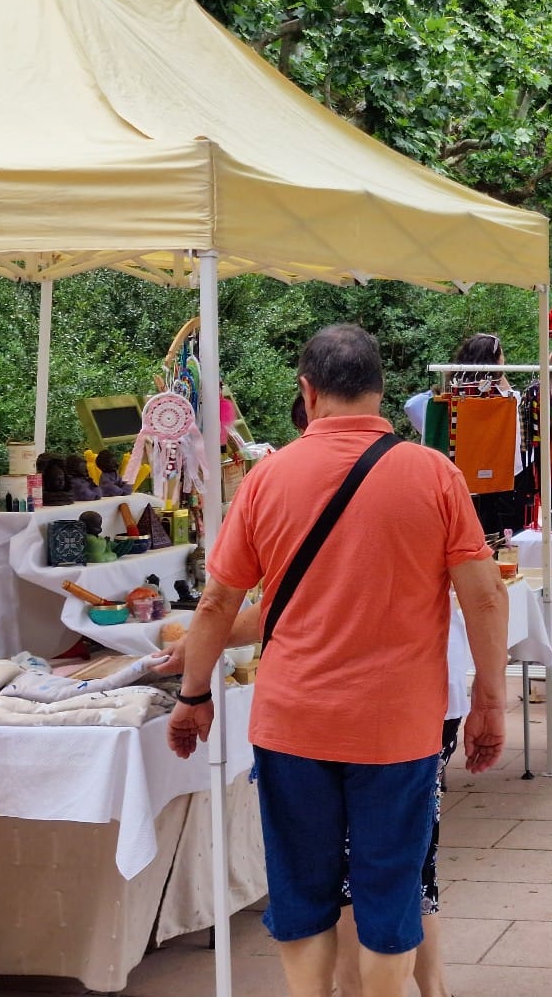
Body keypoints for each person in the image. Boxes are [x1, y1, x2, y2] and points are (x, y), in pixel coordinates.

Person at [167, 324, 509, 997]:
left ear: (307, 390)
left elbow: (214, 606)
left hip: (293, 721)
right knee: (390, 887)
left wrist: (193, 694)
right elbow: (486, 595)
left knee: (302, 885)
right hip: (399, 726)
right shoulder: (435, 473)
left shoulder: (267, 478)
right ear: (380, 392)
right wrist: (489, 701)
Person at [406, 332, 522, 541]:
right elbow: (514, 397)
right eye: (501, 355)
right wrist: (497, 373)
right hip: (493, 481)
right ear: (495, 361)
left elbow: (411, 405)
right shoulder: (504, 402)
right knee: (490, 538)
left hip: (453, 476)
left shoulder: (444, 400)